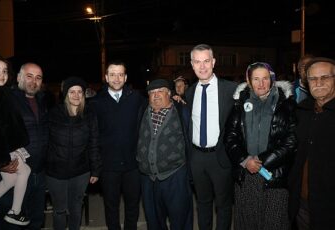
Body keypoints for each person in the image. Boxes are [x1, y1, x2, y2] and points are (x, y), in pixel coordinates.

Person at [224, 62, 297, 230]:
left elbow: (291, 142)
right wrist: (245, 160)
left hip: (274, 175)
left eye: (265, 78)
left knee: (273, 222)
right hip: (246, 174)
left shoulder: (285, 104)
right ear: (249, 81)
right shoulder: (239, 104)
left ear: (272, 80)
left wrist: (262, 160)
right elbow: (230, 137)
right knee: (248, 223)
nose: (261, 83)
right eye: (256, 79)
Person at [0, 62, 49, 229]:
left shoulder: (42, 100)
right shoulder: (5, 99)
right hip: (15, 172)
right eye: (29, 76)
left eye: (38, 78)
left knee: (35, 221)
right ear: (18, 78)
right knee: (11, 225)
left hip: (39, 174)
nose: (34, 81)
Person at [185, 44, 237, 230]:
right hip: (197, 157)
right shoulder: (189, 92)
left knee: (223, 205)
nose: (202, 66)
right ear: (192, 65)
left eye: (206, 61)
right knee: (203, 203)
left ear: (213, 62)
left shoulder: (231, 90)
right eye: (197, 62)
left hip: (221, 156)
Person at [91, 61, 144, 230]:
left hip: (133, 164)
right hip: (108, 166)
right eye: (112, 74)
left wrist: (175, 97)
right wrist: (95, 166)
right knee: (111, 206)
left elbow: (156, 106)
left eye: (120, 74)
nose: (116, 78)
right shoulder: (96, 102)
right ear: (106, 77)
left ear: (126, 77)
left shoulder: (137, 98)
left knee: (132, 206)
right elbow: (93, 136)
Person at [137, 79, 193, 230]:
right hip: (148, 178)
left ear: (169, 94)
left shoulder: (182, 111)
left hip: (174, 176)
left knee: (180, 219)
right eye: (152, 93)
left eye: (160, 91)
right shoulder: (142, 109)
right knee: (154, 221)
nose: (156, 95)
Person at [46, 76, 101, 230]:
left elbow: (94, 144)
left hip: (80, 171)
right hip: (56, 173)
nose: (76, 95)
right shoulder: (53, 114)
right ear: (65, 94)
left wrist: (96, 169)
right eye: (72, 92)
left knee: (76, 208)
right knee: (60, 210)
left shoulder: (89, 115)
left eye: (80, 92)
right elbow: (46, 142)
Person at [288, 57, 335, 230]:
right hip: (301, 202)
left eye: (325, 77)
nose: (319, 82)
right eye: (313, 78)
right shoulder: (302, 112)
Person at [0, 53, 31, 226]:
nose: (1, 74)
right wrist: (0, 160)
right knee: (24, 171)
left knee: (10, 180)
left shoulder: (1, 94)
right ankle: (15, 212)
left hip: (3, 148)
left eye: (4, 70)